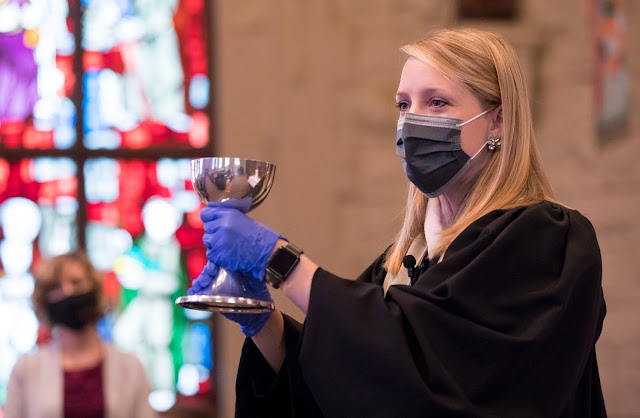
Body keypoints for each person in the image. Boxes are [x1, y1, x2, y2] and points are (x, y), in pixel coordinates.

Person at [190, 28, 607, 417]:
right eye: (403, 105)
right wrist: (266, 326)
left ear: (497, 120)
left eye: (437, 102)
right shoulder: (403, 261)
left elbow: (434, 381)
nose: (411, 121)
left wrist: (280, 261)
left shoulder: (547, 240)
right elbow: (349, 384)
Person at [4, 251, 156, 418]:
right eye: (56, 287)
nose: (68, 292)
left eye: (76, 283)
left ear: (95, 290)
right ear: (45, 299)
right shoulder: (26, 368)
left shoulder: (130, 366)